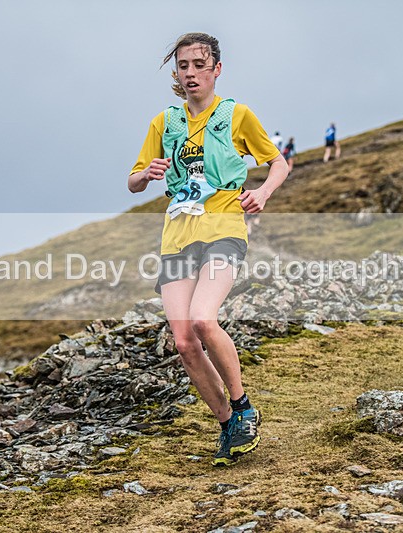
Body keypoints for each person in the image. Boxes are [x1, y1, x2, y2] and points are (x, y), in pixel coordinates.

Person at [128, 32, 288, 467]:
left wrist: (265, 192)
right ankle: (227, 426)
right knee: (182, 341)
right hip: (177, 234)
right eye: (184, 66)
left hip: (222, 226)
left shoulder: (236, 114)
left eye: (200, 64)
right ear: (176, 73)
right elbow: (134, 179)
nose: (191, 72)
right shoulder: (164, 122)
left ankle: (243, 407)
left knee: (202, 318)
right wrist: (149, 173)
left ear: (217, 69)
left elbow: (279, 162)